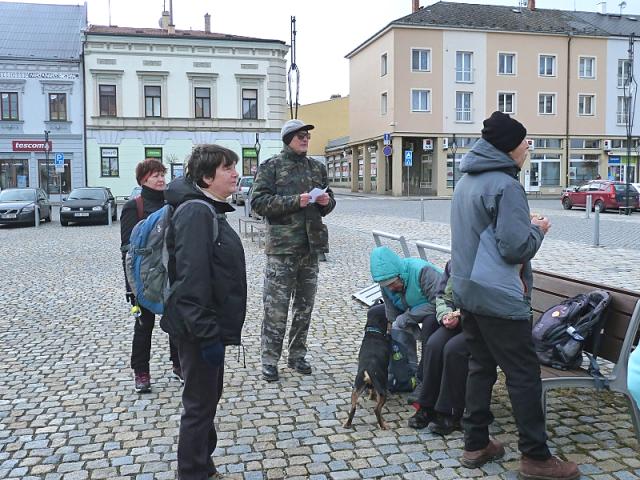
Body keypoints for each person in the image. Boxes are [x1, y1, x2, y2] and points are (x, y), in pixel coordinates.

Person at [450, 111, 579, 480]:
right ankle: (537, 458)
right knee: (523, 374)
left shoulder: (466, 181)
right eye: (526, 143)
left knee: (481, 366)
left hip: (469, 289)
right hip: (498, 295)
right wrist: (537, 229)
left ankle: (475, 444)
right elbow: (514, 247)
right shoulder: (506, 187)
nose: (528, 149)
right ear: (509, 148)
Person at [160, 144, 247, 480]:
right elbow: (191, 281)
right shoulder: (196, 212)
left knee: (207, 401)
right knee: (198, 406)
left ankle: (203, 465)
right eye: (228, 168)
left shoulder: (207, 208)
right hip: (198, 329)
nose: (235, 173)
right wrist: (208, 333)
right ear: (208, 176)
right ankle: (193, 472)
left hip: (204, 327)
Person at [251, 119, 336, 382]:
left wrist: (326, 201)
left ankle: (297, 355)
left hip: (310, 249)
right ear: (287, 138)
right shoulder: (271, 167)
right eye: (299, 136)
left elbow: (329, 201)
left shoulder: (317, 168)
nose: (305, 140)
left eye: (307, 136)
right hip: (282, 250)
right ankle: (269, 359)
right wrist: (294, 201)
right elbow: (258, 202)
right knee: (276, 308)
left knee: (304, 307)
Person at [120, 158, 180, 394]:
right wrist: (130, 286)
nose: (161, 179)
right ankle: (141, 372)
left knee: (175, 323)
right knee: (144, 325)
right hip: (143, 276)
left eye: (162, 174)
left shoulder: (172, 203)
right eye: (155, 175)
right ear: (143, 179)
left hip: (170, 272)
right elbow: (127, 249)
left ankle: (178, 365)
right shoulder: (134, 206)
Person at [408, 260, 468, 435]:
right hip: (457, 320)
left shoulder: (485, 262)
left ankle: (449, 412)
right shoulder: (454, 263)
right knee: (434, 344)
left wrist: (462, 316)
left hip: (480, 324)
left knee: (453, 349)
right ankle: (426, 406)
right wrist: (445, 316)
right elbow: (441, 296)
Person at [369, 246, 443, 386]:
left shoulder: (422, 271)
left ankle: (425, 374)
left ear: (400, 275)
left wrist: (406, 318)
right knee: (394, 325)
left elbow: (439, 302)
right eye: (386, 286)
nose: (390, 288)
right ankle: (405, 373)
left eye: (392, 284)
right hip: (413, 309)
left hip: (439, 310)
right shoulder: (385, 283)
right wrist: (392, 330)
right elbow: (391, 310)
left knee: (428, 323)